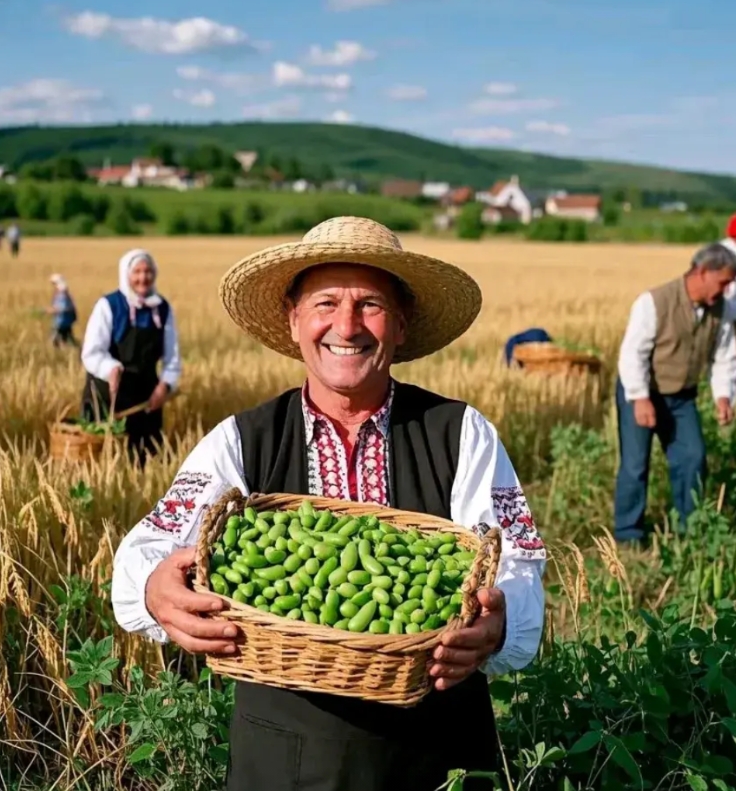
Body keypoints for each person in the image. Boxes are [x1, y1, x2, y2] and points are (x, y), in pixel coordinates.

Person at [110, 217, 546, 791]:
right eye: (325, 303)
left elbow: (520, 564)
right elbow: (144, 550)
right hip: (284, 761)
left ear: (401, 323)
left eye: (370, 304)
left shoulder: (462, 433)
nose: (347, 325)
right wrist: (153, 590)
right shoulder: (241, 441)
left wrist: (499, 620)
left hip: (437, 754)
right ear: (293, 320)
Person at [614, 242, 736, 545]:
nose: (726, 290)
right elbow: (633, 354)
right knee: (635, 464)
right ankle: (629, 536)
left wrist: (723, 395)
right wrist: (640, 397)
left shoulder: (724, 309)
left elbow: (724, 356)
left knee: (693, 457)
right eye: (723, 282)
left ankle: (688, 530)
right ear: (702, 272)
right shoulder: (654, 302)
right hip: (641, 390)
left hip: (682, 396)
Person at [80, 248, 181, 465]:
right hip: (108, 394)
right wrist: (110, 367)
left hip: (146, 396)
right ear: (126, 275)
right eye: (137, 272)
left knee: (145, 458)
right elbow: (91, 352)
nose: (143, 277)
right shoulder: (109, 306)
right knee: (102, 460)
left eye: (148, 271)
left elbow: (172, 357)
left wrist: (164, 386)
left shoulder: (162, 309)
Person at [47, 274, 78, 347]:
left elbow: (63, 308)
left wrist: (51, 310)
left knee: (54, 341)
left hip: (61, 322)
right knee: (68, 340)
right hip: (65, 321)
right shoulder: (64, 293)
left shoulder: (61, 294)